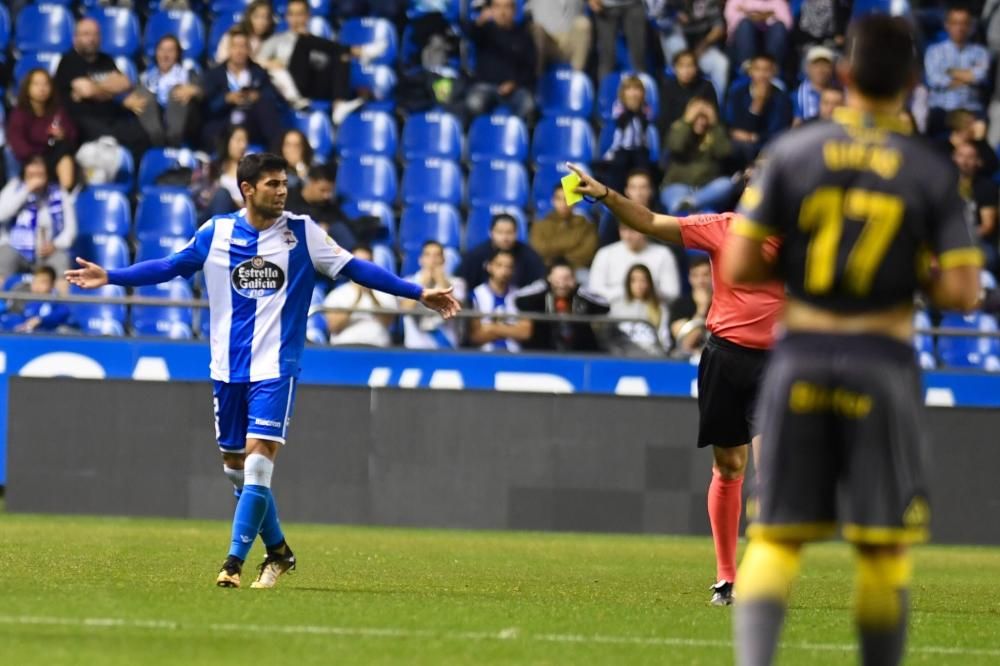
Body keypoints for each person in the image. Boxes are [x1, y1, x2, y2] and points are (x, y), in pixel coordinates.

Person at [65, 153, 460, 589]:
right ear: (247, 189)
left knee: (257, 464)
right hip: (227, 369)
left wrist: (416, 291)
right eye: (272, 183)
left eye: (284, 182)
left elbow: (356, 269)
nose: (282, 190)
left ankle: (233, 562)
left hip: (277, 367)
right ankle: (279, 552)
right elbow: (170, 266)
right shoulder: (216, 232)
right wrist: (112, 276)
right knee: (235, 467)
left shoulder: (303, 233)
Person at [720, 15, 982, 665]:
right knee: (883, 546)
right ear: (913, 83)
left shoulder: (794, 152)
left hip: (802, 354)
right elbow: (964, 292)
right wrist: (906, 265)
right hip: (881, 360)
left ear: (843, 75)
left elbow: (739, 265)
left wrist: (807, 258)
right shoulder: (929, 169)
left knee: (777, 537)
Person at [567, 160, 784, 607]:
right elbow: (647, 221)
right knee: (729, 467)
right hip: (725, 359)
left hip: (776, 366)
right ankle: (727, 577)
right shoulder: (722, 229)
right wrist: (606, 195)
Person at [53, 18, 154, 162]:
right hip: (82, 119)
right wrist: (109, 88)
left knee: (142, 135)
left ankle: (137, 180)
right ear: (76, 38)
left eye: (95, 34)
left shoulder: (106, 60)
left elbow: (125, 83)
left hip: (112, 117)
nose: (91, 39)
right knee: (109, 139)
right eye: (86, 34)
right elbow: (87, 90)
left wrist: (95, 87)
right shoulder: (68, 61)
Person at [201, 28, 285, 151]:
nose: (239, 51)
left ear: (249, 50)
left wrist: (257, 96)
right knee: (209, 129)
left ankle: (274, 159)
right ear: (229, 49)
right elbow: (207, 106)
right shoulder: (214, 74)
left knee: (266, 109)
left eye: (243, 46)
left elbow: (274, 98)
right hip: (225, 120)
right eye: (235, 46)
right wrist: (226, 99)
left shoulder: (259, 72)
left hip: (251, 120)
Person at [0, 156, 77, 283]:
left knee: (61, 260)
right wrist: (26, 190)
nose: (36, 177)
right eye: (32, 172)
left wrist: (56, 245)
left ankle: (62, 302)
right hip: (16, 249)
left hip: (48, 252)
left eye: (39, 173)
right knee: (3, 257)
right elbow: (2, 214)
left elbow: (71, 230)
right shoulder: (14, 187)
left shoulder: (59, 193)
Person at [465, 0, 537, 121]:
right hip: (486, 86)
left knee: (528, 106)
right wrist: (480, 21)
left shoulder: (523, 36)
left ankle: (518, 137)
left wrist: (514, 83)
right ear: (492, 9)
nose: (502, 12)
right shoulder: (484, 30)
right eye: (497, 7)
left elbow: (530, 67)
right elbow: (468, 33)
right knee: (473, 103)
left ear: (514, 11)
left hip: (515, 89)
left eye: (507, 7)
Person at [6, 69, 79, 191]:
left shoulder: (58, 110)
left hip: (54, 157)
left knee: (64, 150)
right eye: (36, 84)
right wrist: (36, 158)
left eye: (46, 84)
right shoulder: (19, 113)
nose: (42, 88)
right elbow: (17, 143)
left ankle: (65, 194)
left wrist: (62, 134)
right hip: (29, 159)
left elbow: (73, 134)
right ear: (27, 88)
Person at [515, 259, 609, 351]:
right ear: (549, 278)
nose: (562, 284)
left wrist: (577, 288)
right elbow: (519, 299)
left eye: (567, 278)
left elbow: (605, 305)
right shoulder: (540, 296)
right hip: (545, 354)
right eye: (558, 278)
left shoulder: (580, 296)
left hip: (578, 354)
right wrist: (546, 285)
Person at [661, 96, 734, 214]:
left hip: (706, 190)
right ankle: (689, 207)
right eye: (697, 117)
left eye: (704, 118)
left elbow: (724, 152)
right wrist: (686, 122)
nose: (700, 121)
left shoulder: (715, 132)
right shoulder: (678, 127)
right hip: (677, 186)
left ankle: (692, 202)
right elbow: (676, 146)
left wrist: (714, 125)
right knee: (678, 209)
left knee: (726, 184)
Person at [924, 6, 989, 137]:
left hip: (972, 110)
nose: (960, 28)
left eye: (964, 23)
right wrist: (968, 75)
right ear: (947, 25)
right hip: (941, 111)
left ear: (971, 27)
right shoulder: (934, 51)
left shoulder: (981, 52)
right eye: (955, 23)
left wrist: (947, 70)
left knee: (979, 131)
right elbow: (934, 80)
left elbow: (979, 77)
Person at [725, 53, 792, 169]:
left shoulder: (781, 98)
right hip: (741, 147)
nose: (762, 75)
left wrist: (753, 137)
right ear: (750, 71)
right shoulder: (738, 93)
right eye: (758, 69)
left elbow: (779, 131)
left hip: (767, 146)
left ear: (774, 72)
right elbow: (733, 126)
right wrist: (756, 106)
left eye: (766, 70)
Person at [588, 223, 682, 303]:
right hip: (613, 315)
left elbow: (673, 293)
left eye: (633, 230)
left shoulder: (663, 254)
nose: (628, 236)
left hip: (652, 314)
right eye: (624, 230)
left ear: (644, 230)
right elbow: (594, 291)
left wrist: (646, 292)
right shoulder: (605, 254)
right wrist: (629, 293)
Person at [323, 246, 397, 347]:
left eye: (366, 263)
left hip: (378, 349)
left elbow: (389, 323)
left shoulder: (386, 292)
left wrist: (372, 296)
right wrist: (357, 298)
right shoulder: (337, 294)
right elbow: (334, 327)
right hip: (344, 348)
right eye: (357, 263)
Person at [657, 0, 729, 103]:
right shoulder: (669, 2)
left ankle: (716, 106)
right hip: (676, 42)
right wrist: (674, 15)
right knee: (675, 41)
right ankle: (680, 103)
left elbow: (719, 28)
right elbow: (658, 20)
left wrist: (703, 44)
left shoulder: (708, 2)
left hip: (700, 46)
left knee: (721, 64)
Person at [596, 75, 656, 195]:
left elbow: (650, 144)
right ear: (622, 93)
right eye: (629, 89)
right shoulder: (615, 119)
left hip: (640, 156)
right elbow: (606, 149)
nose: (633, 94)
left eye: (637, 89)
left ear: (643, 93)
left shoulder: (647, 116)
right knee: (619, 162)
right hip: (618, 159)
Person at [140, 35, 203, 147]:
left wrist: (195, 90)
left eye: (170, 51)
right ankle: (156, 139)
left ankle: (173, 140)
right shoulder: (146, 77)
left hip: (185, 126)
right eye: (161, 50)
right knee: (144, 95)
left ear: (177, 54)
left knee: (176, 91)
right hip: (153, 128)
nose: (165, 55)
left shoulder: (188, 74)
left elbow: (205, 91)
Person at [401, 240, 467, 349]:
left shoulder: (457, 283)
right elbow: (404, 309)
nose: (433, 260)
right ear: (421, 260)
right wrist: (421, 285)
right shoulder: (408, 282)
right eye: (428, 255)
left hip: (446, 347)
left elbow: (458, 307)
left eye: (437, 255)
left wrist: (442, 282)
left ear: (443, 260)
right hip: (415, 347)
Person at [458, 213, 546, 290]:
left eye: (509, 232)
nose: (505, 238)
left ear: (517, 233)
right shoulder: (476, 256)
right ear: (490, 232)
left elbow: (540, 282)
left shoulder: (529, 256)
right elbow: (459, 281)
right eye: (500, 232)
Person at [284, 164, 357, 250]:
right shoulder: (287, 199)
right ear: (310, 183)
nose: (327, 196)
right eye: (323, 190)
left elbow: (345, 227)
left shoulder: (330, 206)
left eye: (330, 191)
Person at [468, 249, 528, 351]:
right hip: (485, 356)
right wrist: (511, 329)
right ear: (489, 266)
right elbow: (476, 336)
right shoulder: (476, 295)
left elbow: (525, 333)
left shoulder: (521, 296)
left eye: (509, 266)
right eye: (499, 265)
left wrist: (491, 328)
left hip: (515, 356)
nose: (504, 271)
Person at [530, 185, 599, 272]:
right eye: (558, 199)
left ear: (575, 202)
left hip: (577, 270)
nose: (563, 204)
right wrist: (572, 245)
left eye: (567, 199)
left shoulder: (586, 226)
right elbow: (538, 250)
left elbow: (587, 253)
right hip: (546, 270)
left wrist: (554, 252)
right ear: (553, 200)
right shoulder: (540, 224)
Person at [954, 141, 999, 271]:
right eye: (960, 156)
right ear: (953, 157)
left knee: (989, 257)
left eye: (970, 157)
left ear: (978, 162)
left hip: (976, 241)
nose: (964, 161)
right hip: (944, 239)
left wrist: (962, 238)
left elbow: (987, 225)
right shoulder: (942, 184)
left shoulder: (987, 188)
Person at [609, 263, 671, 355]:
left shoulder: (660, 308)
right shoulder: (616, 306)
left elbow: (664, 340)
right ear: (628, 283)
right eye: (634, 280)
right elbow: (610, 338)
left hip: (651, 357)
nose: (639, 285)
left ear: (649, 283)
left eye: (643, 280)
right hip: (622, 356)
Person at [661, 50, 723, 133]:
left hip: (704, 131)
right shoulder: (668, 88)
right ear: (674, 69)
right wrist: (689, 117)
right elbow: (665, 122)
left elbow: (715, 117)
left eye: (690, 66)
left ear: (696, 68)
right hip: (678, 134)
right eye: (681, 66)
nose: (686, 71)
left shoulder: (706, 87)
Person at [527, 0, 592, 78]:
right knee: (536, 29)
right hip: (547, 41)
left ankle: (576, 80)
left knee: (583, 24)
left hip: (570, 41)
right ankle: (536, 81)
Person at [725, 0, 793, 70]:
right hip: (741, 44)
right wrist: (766, 15)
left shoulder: (779, 2)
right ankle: (747, 68)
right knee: (745, 25)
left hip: (768, 42)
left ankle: (771, 68)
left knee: (779, 27)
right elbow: (733, 20)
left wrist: (750, 15)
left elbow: (786, 23)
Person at [1, 266, 70, 333]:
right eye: (35, 282)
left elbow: (63, 314)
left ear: (52, 284)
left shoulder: (56, 303)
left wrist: (40, 320)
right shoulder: (26, 303)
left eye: (42, 282)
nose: (37, 286)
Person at [591, 0, 648, 81]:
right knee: (607, 57)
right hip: (605, 6)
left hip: (634, 4)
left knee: (639, 57)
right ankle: (605, 91)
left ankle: (641, 89)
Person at [669, 254, 714, 354]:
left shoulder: (723, 304)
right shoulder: (680, 305)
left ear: (714, 276)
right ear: (689, 278)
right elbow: (686, 344)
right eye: (695, 275)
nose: (700, 280)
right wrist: (702, 308)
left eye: (705, 275)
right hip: (684, 362)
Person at [216, 0, 275, 64]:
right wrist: (263, 63)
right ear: (249, 17)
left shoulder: (272, 39)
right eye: (257, 17)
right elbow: (222, 60)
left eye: (266, 17)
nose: (262, 22)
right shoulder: (234, 35)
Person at [793, 46, 836, 125]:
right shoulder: (796, 96)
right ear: (808, 68)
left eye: (825, 65)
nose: (821, 70)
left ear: (832, 68)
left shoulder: (843, 94)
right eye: (816, 65)